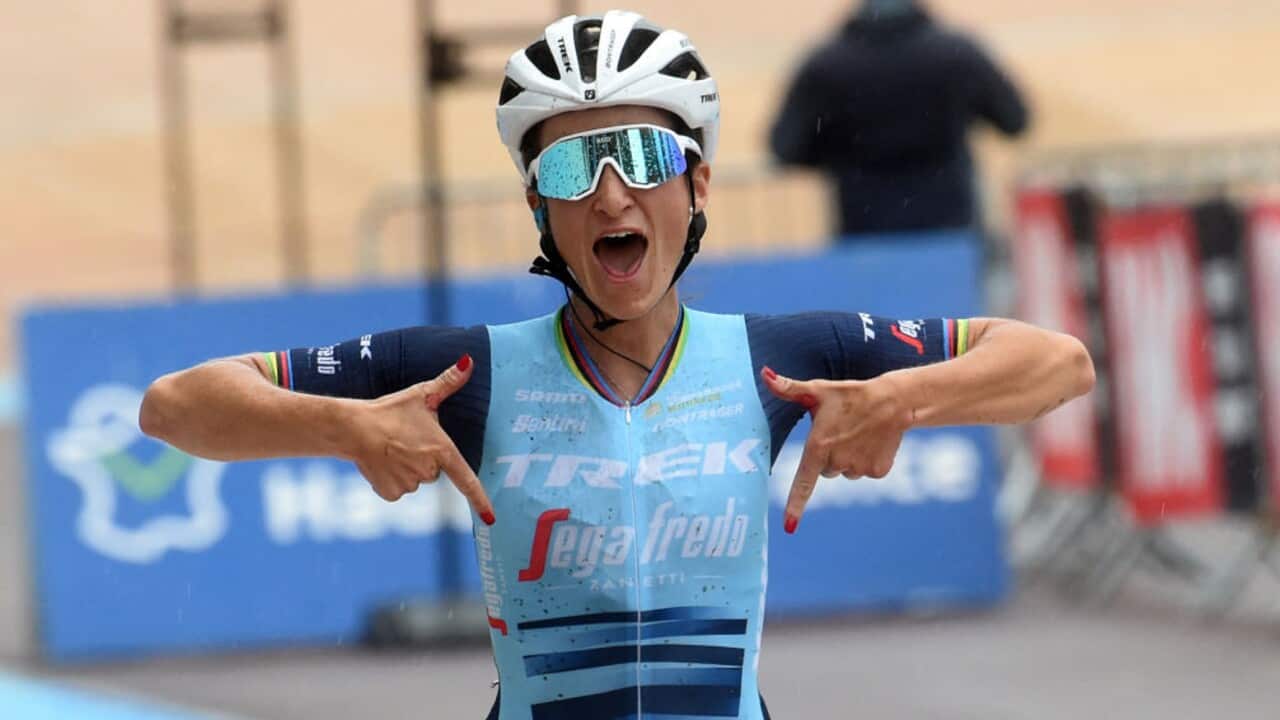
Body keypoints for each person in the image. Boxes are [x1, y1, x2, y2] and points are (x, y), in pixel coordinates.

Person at [139, 10, 1091, 719]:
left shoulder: (786, 359)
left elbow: (1057, 363)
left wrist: (906, 398)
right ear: (537, 210)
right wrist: (339, 422)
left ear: (699, 182)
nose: (608, 194)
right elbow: (174, 406)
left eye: (640, 155)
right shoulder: (466, 374)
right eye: (568, 170)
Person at [769, 0, 1029, 237]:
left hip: (866, 234)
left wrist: (836, 151)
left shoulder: (826, 65)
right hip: (951, 230)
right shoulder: (955, 54)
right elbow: (1014, 120)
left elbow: (785, 148)